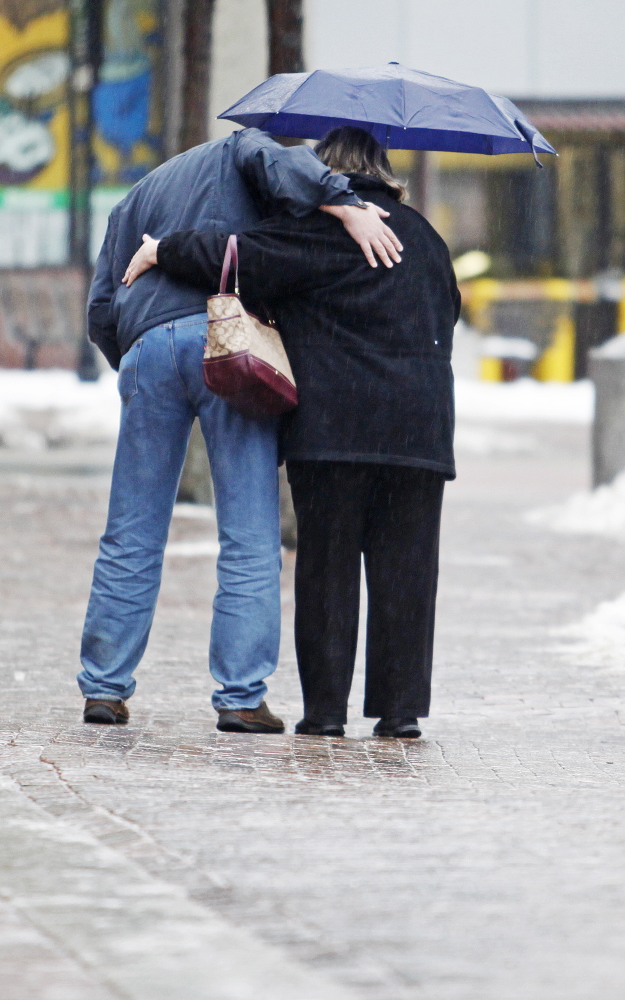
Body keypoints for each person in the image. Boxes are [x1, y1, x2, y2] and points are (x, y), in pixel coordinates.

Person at [124, 126, 460, 739]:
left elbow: (236, 257)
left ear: (326, 176)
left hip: (335, 431)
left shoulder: (321, 228)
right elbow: (450, 314)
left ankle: (326, 713)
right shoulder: (428, 239)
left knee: (327, 567)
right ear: (385, 173)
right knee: (407, 570)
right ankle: (400, 711)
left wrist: (160, 250)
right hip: (419, 432)